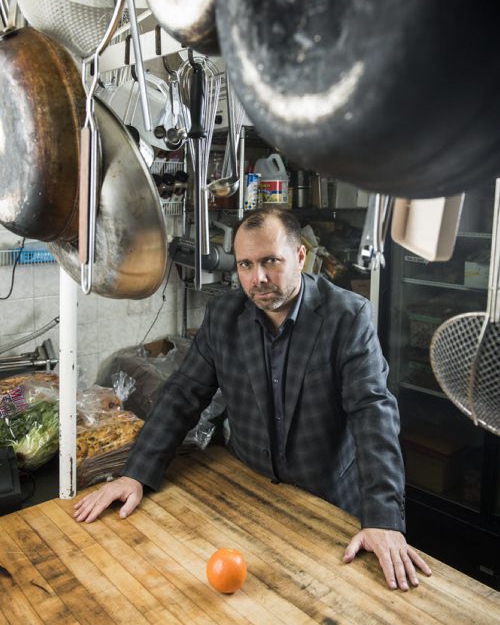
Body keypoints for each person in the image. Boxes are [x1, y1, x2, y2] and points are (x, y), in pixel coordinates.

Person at [74, 207, 431, 590]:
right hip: (248, 492)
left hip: (326, 503)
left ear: (299, 256)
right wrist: (136, 473)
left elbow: (372, 412)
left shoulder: (348, 316)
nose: (257, 278)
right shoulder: (224, 315)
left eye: (269, 262)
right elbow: (183, 394)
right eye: (245, 265)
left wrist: (383, 518)